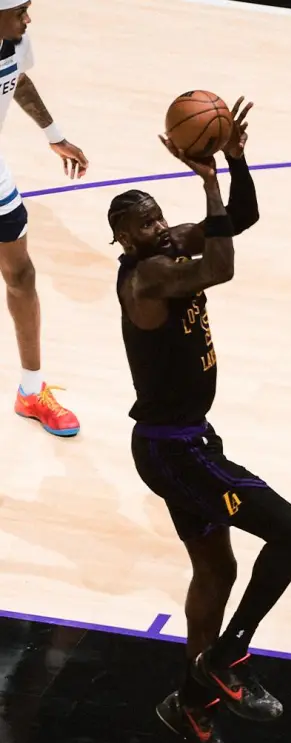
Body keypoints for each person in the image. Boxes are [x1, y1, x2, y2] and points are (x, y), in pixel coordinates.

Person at [108, 100, 291, 743]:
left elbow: (240, 220)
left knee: (218, 569)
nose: (158, 227)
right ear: (125, 240)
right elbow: (222, 265)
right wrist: (206, 184)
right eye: (145, 225)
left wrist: (233, 160)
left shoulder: (167, 247)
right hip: (174, 452)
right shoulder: (148, 276)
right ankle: (227, 657)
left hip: (189, 440)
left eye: (157, 217)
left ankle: (190, 704)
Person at [0, 1, 86, 436]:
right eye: (21, 10)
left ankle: (31, 392)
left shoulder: (15, 41)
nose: (27, 18)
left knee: (22, 274)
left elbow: (16, 79)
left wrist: (54, 135)